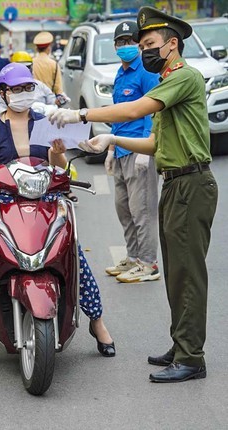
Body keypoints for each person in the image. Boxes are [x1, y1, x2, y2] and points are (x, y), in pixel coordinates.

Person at [50, 6, 217, 383]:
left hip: (191, 184)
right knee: (176, 273)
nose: (143, 51)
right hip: (177, 183)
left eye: (149, 44)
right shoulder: (166, 83)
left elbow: (137, 108)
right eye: (141, 45)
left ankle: (192, 357)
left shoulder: (184, 77)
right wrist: (112, 139)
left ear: (172, 45)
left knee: (188, 275)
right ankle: (182, 344)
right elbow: (155, 141)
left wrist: (83, 116)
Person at [0, 63, 115, 369]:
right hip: (6, 203)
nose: (23, 95)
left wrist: (56, 151)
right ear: (4, 93)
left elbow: (61, 165)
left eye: (28, 88)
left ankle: (96, 322)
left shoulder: (46, 121)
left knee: (74, 256)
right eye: (16, 90)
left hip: (47, 201)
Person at [104, 21, 161, 283]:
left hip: (139, 149)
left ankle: (148, 263)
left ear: (138, 45)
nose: (125, 46)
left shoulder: (146, 71)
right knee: (123, 208)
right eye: (120, 42)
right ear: (115, 47)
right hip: (121, 150)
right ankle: (133, 256)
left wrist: (146, 150)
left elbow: (154, 108)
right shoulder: (120, 73)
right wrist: (111, 147)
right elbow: (118, 113)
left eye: (130, 41)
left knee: (143, 210)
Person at [32, 32, 64, 96]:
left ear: (36, 49)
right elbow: (58, 88)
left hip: (34, 99)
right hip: (49, 100)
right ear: (49, 48)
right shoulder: (54, 64)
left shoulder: (31, 63)